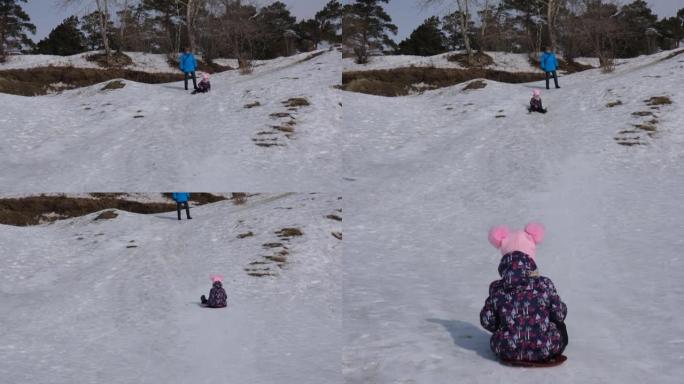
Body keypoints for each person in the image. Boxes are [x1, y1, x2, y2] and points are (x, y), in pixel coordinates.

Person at [480, 223, 568, 363]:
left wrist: (505, 323)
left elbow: (487, 321)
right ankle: (545, 346)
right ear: (531, 256)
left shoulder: (497, 288)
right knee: (560, 327)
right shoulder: (544, 284)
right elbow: (559, 314)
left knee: (501, 320)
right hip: (545, 347)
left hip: (505, 348)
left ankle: (511, 341)